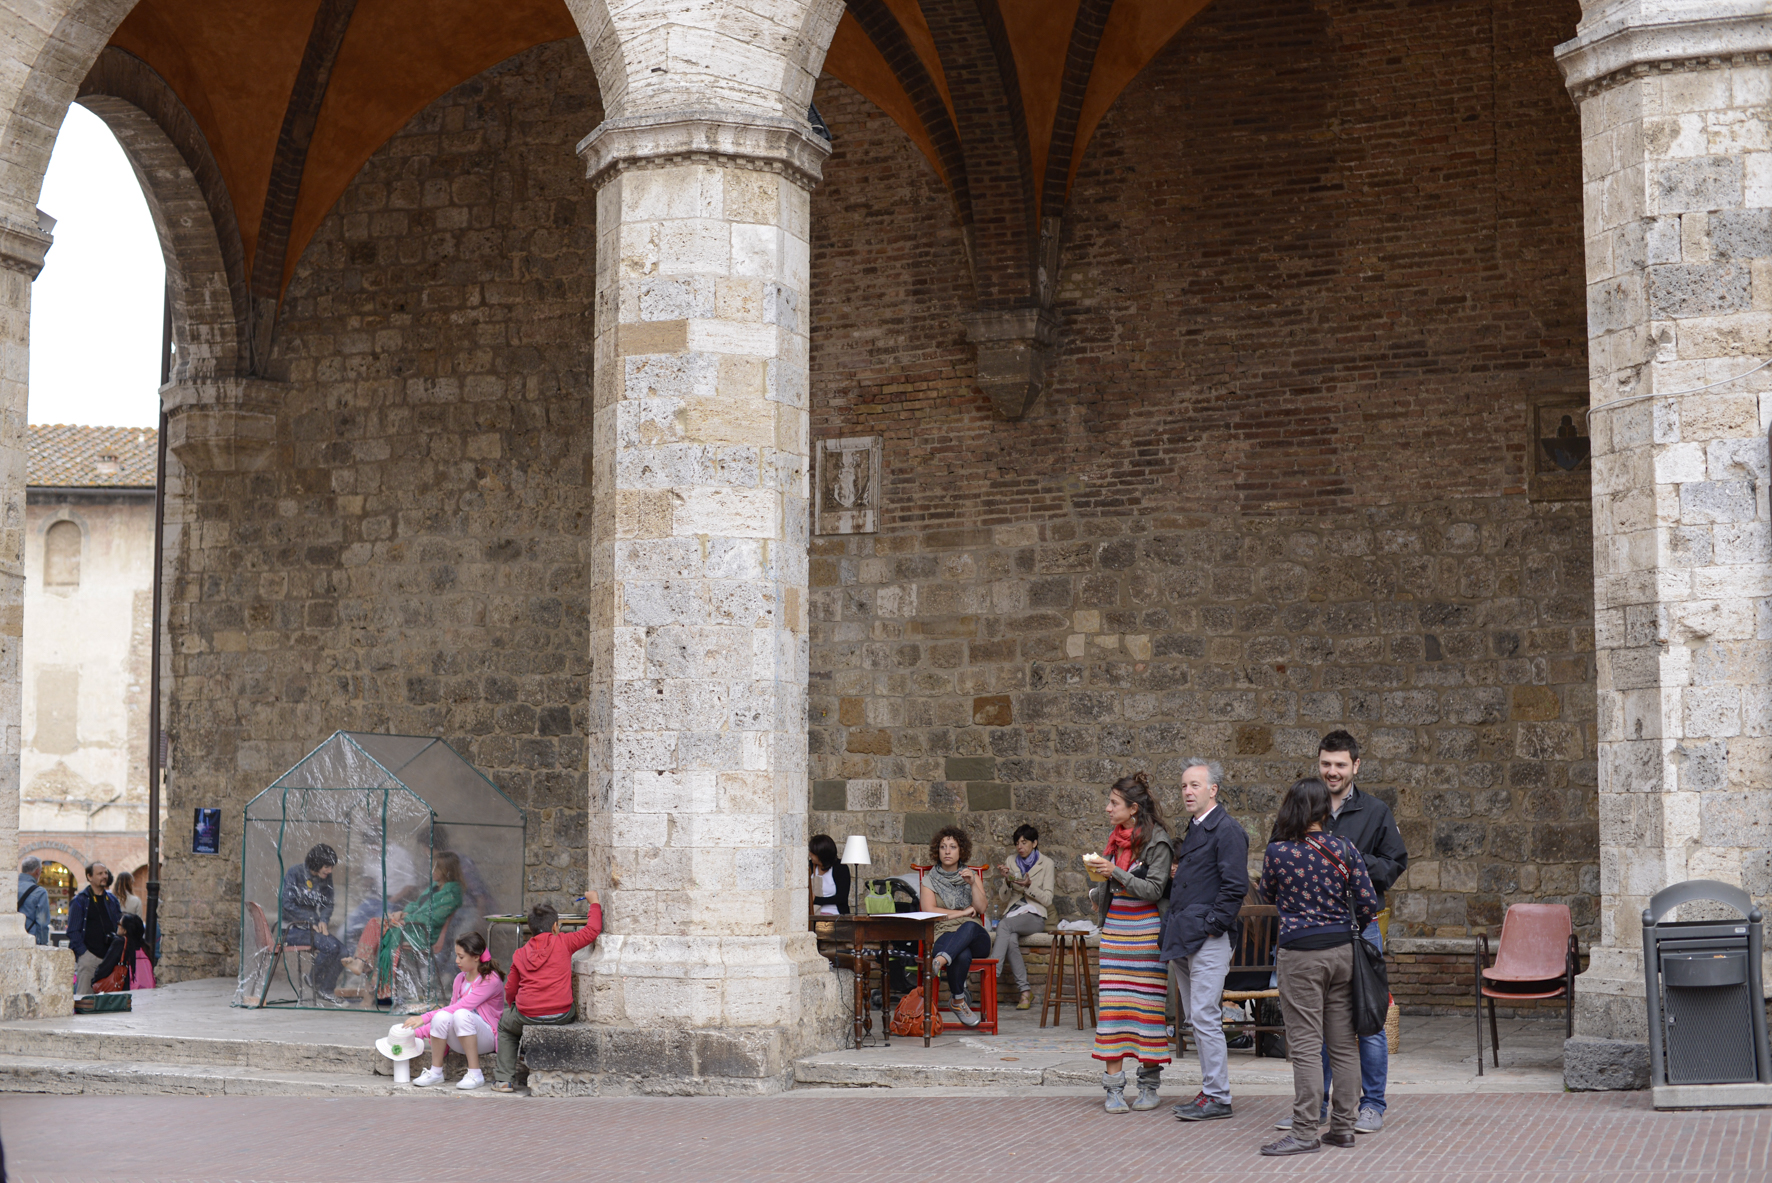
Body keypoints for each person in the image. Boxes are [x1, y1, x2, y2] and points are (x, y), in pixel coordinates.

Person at [1281, 729, 1408, 1136]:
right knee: (1315, 1024)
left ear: (1356, 766)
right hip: (1314, 932)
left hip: (1361, 929)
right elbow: (1278, 855)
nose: (1332, 772)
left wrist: (1348, 863)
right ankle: (1316, 1107)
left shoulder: (1375, 811)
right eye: (1325, 764)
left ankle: (1371, 1104)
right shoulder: (1303, 805)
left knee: (1367, 1020)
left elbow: (1394, 863)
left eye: (1340, 765)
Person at [1256, 777, 1380, 1156]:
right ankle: (1343, 1128)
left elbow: (1266, 895)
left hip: (1301, 956)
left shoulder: (1278, 852)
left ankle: (1305, 1131)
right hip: (1342, 952)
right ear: (1324, 810)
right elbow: (1368, 902)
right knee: (1344, 1045)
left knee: (1307, 1046)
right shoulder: (1344, 848)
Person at [1162, 757, 1249, 1122]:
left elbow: (1235, 885)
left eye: (1194, 785)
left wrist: (1213, 925)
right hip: (1185, 935)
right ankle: (1211, 1091)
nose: (1187, 791)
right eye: (1184, 786)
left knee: (1204, 1015)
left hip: (1206, 937)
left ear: (1213, 789)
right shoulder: (1198, 827)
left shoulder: (1226, 829)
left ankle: (1218, 1096)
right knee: (1197, 1018)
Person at [1083, 771, 1174, 1114]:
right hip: (1116, 932)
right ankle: (1114, 1090)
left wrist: (1114, 874)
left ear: (1133, 808)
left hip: (1147, 933)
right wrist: (1099, 889)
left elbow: (1154, 888)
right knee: (1114, 1009)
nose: (1108, 808)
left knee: (1146, 1010)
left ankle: (1149, 1086)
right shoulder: (1114, 839)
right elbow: (1116, 886)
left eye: (1114, 803)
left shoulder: (1158, 841)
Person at [494, 894, 604, 1093]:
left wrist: (513, 1006)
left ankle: (503, 1080)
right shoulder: (564, 942)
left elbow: (510, 988)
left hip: (527, 1014)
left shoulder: (520, 953)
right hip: (562, 1014)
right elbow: (593, 929)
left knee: (506, 1026)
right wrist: (594, 903)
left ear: (531, 928)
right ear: (555, 926)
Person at [344, 851, 465, 1003]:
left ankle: (371, 974)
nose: (432, 871)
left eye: (435, 868)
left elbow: (432, 918)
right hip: (411, 926)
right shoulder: (435, 887)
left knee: (385, 932)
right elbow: (417, 905)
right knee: (375, 922)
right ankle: (362, 963)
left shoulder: (452, 893)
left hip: (423, 933)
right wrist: (401, 913)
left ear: (446, 870)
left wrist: (406, 919)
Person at [406, 931, 506, 1091]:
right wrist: (413, 1033)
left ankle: (475, 1073)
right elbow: (447, 1014)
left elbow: (461, 1007)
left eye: (461, 956)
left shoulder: (490, 979)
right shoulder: (460, 978)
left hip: (485, 1038)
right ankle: (436, 1072)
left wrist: (424, 1017)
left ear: (475, 956)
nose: (456, 960)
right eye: (457, 956)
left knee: (460, 1014)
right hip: (461, 1037)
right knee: (442, 1016)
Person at [920, 826, 989, 1028]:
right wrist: (963, 912)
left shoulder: (971, 875)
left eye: (952, 847)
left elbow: (981, 908)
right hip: (944, 932)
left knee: (969, 927)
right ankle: (958, 1001)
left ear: (961, 851)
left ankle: (938, 961)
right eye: (943, 847)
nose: (947, 851)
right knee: (961, 954)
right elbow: (929, 912)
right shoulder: (929, 880)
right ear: (937, 851)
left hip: (975, 935)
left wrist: (973, 883)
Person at [989, 823, 1053, 1010]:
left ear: (1034, 843)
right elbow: (1004, 897)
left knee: (1004, 926)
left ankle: (992, 975)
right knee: (1010, 940)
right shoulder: (1010, 861)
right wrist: (1007, 881)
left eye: (1024, 842)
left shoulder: (1046, 863)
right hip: (1014, 912)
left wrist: (1028, 886)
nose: (1020, 846)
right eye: (1017, 843)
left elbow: (1048, 899)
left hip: (1034, 915)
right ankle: (1025, 992)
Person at [281, 844, 345, 1002]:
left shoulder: (325, 877)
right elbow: (287, 903)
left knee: (344, 952)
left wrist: (323, 919)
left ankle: (326, 989)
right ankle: (314, 979)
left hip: (313, 929)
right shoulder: (295, 873)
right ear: (316, 863)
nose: (329, 871)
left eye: (331, 867)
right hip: (292, 929)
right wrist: (311, 919)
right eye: (326, 866)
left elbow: (327, 903)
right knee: (331, 947)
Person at [67, 862, 120, 994]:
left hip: (110, 959)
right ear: (89, 877)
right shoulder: (80, 900)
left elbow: (118, 925)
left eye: (106, 873)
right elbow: (73, 931)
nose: (104, 876)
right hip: (89, 959)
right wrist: (84, 954)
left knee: (109, 1001)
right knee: (84, 1000)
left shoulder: (112, 900)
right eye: (100, 873)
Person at [809, 834, 850, 915]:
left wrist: (816, 900)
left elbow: (842, 897)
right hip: (813, 914)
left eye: (813, 852)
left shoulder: (840, 868)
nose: (810, 854)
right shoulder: (809, 866)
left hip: (835, 915)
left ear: (821, 854)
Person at [17, 857, 49, 945]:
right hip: (29, 941)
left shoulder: (10, 887)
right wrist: (43, 944)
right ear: (37, 871)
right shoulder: (40, 892)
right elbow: (42, 924)